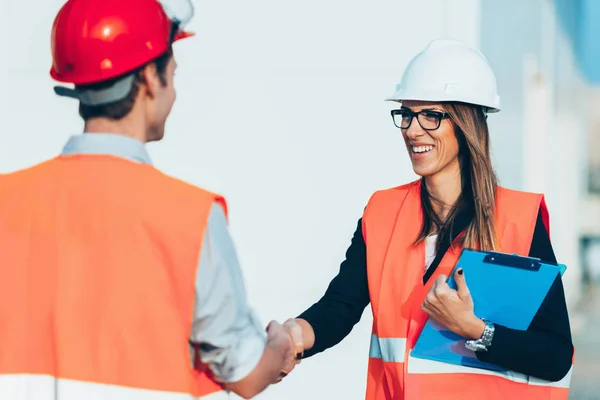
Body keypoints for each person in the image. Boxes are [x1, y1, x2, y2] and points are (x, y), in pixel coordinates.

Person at [0, 0, 296, 399]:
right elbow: (244, 373)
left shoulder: (8, 200)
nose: (173, 92)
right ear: (149, 79)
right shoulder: (190, 217)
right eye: (172, 74)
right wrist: (277, 347)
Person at [277, 39, 574, 400]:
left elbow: (555, 355)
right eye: (406, 113)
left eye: (430, 115)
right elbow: (339, 307)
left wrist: (476, 330)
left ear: (467, 122)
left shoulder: (518, 220)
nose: (412, 130)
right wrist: (292, 335)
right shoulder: (382, 212)